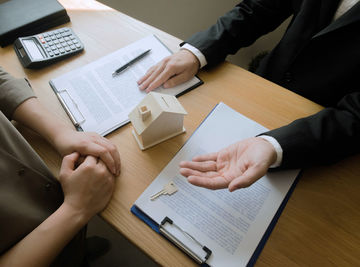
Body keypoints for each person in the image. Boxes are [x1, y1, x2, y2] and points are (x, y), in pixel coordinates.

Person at [138, 0, 360, 192]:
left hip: (322, 137)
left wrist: (275, 146)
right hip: (264, 86)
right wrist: (198, 52)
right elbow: (258, 8)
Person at [0, 37, 121, 266]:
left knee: (71, 249)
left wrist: (61, 133)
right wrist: (76, 210)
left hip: (52, 205)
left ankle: (75, 248)